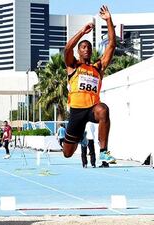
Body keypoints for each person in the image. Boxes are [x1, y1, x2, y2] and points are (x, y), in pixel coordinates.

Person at [63, 5, 116, 168]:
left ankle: (104, 152)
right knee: (67, 153)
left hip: (92, 108)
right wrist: (82, 32)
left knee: (104, 110)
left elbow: (112, 45)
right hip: (77, 111)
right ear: (79, 51)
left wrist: (108, 20)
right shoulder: (73, 66)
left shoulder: (97, 67)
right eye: (83, 47)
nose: (87, 49)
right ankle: (78, 136)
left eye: (89, 48)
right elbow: (67, 48)